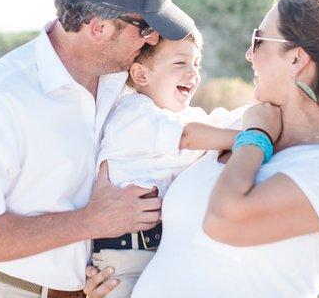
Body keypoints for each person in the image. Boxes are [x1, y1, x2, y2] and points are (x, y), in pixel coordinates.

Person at [83, 0, 319, 297]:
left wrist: (255, 140)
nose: (248, 54)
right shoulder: (232, 124)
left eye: (258, 40)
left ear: (296, 59)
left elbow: (223, 221)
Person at [0, 0, 196, 298]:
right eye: (145, 27)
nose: (152, 40)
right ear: (99, 26)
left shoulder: (126, 82)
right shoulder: (1, 97)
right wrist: (90, 222)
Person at [92, 28, 245, 298]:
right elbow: (187, 136)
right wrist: (248, 140)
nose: (193, 72)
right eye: (180, 63)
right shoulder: (134, 113)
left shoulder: (181, 115)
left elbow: (220, 120)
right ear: (141, 75)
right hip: (123, 260)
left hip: (158, 252)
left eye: (196, 64)